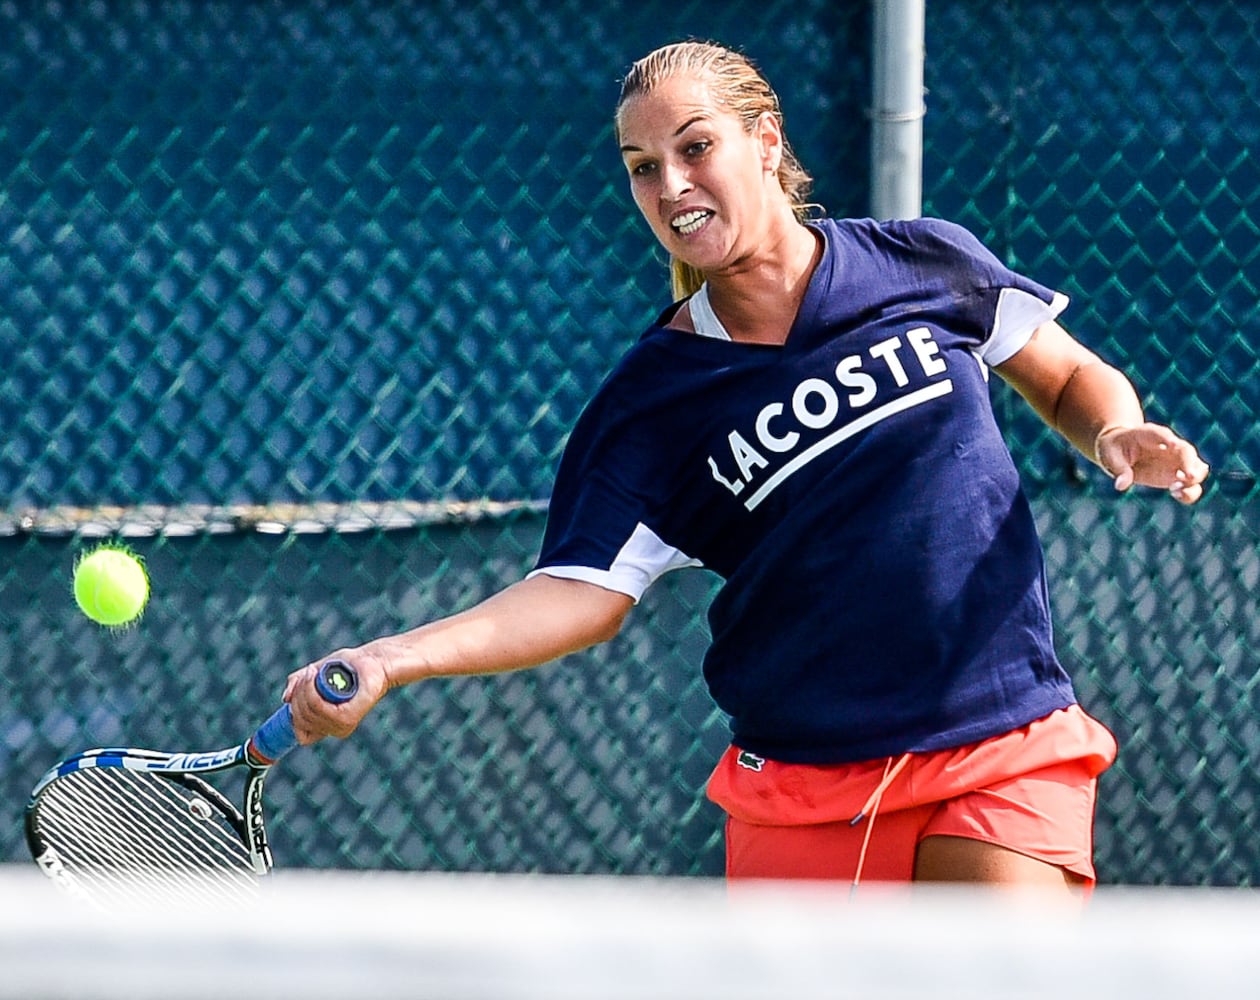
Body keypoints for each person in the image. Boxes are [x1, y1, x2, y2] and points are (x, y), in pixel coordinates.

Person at [282, 40, 1209, 892]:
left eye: (695, 149)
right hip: (801, 781)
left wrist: (1115, 431)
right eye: (644, 169)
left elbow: (1069, 374)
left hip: (1000, 738)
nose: (670, 183)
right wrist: (387, 658)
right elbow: (577, 591)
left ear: (765, 142)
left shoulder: (923, 260)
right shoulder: (650, 401)